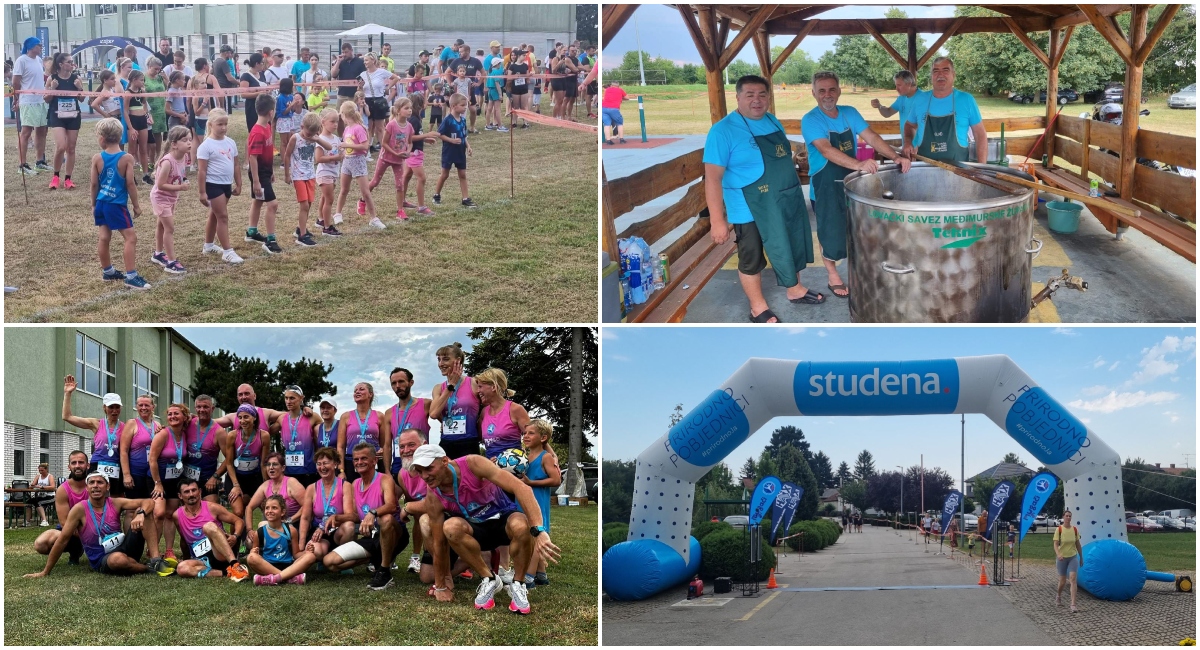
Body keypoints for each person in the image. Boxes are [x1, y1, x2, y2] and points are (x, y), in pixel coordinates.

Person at [703, 75, 820, 324]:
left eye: (762, 95)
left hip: (783, 200)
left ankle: (795, 289)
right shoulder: (722, 131)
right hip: (748, 207)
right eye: (750, 95)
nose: (757, 101)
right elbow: (712, 179)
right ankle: (758, 308)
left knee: (792, 245)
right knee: (752, 257)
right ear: (737, 97)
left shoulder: (771, 120)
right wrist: (717, 221)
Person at [411, 445, 560, 613]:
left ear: (445, 461)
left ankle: (518, 584)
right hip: (476, 529)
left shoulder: (473, 463)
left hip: (503, 517)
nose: (424, 476)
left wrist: (538, 530)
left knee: (521, 524)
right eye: (420, 471)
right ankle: (489, 579)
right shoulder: (433, 495)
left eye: (429, 468)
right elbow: (438, 544)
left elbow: (522, 488)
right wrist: (440, 586)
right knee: (450, 527)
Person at [804, 71, 912, 302]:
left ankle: (857, 272)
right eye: (821, 90)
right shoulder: (811, 120)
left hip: (852, 183)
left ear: (839, 91)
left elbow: (871, 136)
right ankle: (833, 275)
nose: (827, 95)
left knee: (856, 230)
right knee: (830, 234)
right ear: (814, 93)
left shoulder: (849, 112)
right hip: (825, 187)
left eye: (832, 89)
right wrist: (859, 164)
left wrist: (895, 157)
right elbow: (825, 149)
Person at [24, 471, 170, 578]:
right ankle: (145, 568)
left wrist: (140, 514)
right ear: (87, 488)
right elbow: (62, 540)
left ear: (107, 487)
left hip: (124, 546)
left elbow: (149, 502)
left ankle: (155, 560)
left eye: (100, 482)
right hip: (103, 559)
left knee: (145, 511)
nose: (95, 486)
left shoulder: (115, 502)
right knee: (117, 560)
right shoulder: (79, 509)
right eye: (91, 483)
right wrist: (45, 571)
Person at [322, 443, 408, 590]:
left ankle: (385, 571)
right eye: (356, 459)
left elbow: (392, 506)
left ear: (374, 460)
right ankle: (375, 558)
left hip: (395, 533)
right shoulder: (355, 483)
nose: (359, 462)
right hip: (372, 537)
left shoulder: (384, 479)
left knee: (384, 519)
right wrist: (338, 517)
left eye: (364, 458)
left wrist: (373, 512)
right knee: (330, 562)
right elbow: (356, 516)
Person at [90, 117, 149, 290]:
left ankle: (108, 271)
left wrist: (93, 204)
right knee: (131, 237)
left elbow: (94, 184)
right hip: (116, 205)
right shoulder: (127, 158)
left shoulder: (97, 158)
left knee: (104, 237)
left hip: (101, 202)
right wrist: (136, 205)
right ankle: (131, 276)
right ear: (120, 136)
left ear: (101, 138)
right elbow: (130, 183)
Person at [902, 57, 986, 164]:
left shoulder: (966, 100)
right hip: (924, 170)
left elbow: (980, 135)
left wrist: (982, 168)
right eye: (935, 71)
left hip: (959, 172)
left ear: (953, 75)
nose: (940, 75)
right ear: (931, 77)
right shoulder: (920, 100)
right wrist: (908, 142)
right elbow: (909, 125)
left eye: (945, 70)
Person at [173, 477, 249, 580]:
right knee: (182, 568)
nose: (191, 494)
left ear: (199, 491)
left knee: (208, 526)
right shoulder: (177, 515)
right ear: (180, 496)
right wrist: (186, 559)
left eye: (194, 490)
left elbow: (239, 521)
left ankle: (234, 565)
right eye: (186, 492)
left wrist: (235, 536)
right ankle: (225, 572)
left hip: (221, 553)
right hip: (201, 560)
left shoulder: (212, 507)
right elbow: (184, 539)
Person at [62, 376, 125, 496]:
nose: (114, 410)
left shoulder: (126, 427)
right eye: (111, 407)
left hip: (116, 467)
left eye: (117, 407)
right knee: (95, 499)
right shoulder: (96, 424)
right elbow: (67, 416)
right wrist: (67, 394)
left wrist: (158, 428)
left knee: (116, 502)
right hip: (98, 466)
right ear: (104, 408)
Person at [197, 108, 244, 264]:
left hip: (226, 185)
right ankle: (227, 251)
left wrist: (239, 183)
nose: (223, 127)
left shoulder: (230, 142)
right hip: (213, 185)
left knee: (215, 215)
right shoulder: (206, 146)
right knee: (222, 216)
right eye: (220, 124)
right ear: (211, 125)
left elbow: (236, 164)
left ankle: (208, 245)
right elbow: (202, 171)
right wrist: (202, 192)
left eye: (225, 124)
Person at [149, 402, 195, 558]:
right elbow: (152, 460)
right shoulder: (162, 434)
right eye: (170, 414)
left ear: (184, 417)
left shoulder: (184, 434)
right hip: (159, 481)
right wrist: (158, 483)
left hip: (175, 480)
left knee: (170, 514)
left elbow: (195, 418)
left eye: (176, 413)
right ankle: (152, 550)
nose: (172, 416)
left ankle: (169, 551)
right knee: (159, 513)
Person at [223, 403, 272, 549]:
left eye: (246, 417)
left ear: (254, 418)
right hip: (236, 478)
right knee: (238, 512)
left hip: (255, 477)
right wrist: (236, 486)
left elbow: (264, 463)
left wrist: (267, 485)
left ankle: (268, 545)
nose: (243, 421)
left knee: (267, 507)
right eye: (240, 417)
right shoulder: (232, 435)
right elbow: (229, 463)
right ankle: (234, 547)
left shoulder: (264, 436)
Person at [520, 419, 561, 588]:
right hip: (522, 500)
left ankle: (529, 576)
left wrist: (532, 483)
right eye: (525, 433)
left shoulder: (546, 457)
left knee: (537, 535)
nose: (526, 436)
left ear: (543, 437)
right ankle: (541, 574)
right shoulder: (523, 456)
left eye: (531, 433)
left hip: (538, 500)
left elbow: (556, 480)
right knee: (528, 536)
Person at [299, 447, 355, 563]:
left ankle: (342, 559)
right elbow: (305, 518)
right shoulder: (311, 488)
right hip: (319, 534)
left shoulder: (345, 486)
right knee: (317, 552)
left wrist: (327, 524)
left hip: (338, 532)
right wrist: (301, 544)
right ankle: (324, 557)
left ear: (335, 464)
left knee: (349, 526)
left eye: (325, 463)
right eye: (319, 464)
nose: (322, 467)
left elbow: (350, 515)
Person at [334, 100, 383, 229]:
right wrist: (342, 151)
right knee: (344, 189)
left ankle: (374, 218)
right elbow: (347, 146)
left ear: (345, 114)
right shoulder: (347, 129)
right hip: (347, 161)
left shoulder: (358, 128)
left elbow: (365, 146)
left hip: (358, 161)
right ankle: (338, 213)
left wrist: (347, 145)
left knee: (366, 192)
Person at [33, 450, 90, 563]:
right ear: (69, 467)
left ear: (88, 465)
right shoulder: (63, 489)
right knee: (41, 544)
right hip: (71, 529)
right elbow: (64, 522)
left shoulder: (95, 485)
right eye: (74, 463)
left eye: (81, 462)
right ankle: (76, 549)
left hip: (92, 528)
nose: (77, 466)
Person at [149, 125, 192, 274]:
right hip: (161, 198)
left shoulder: (185, 156)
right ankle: (171, 262)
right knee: (169, 228)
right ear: (174, 144)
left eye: (190, 140)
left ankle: (158, 254)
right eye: (185, 140)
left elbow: (181, 173)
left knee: (162, 226)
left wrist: (184, 180)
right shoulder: (167, 162)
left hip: (171, 197)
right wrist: (180, 187)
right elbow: (160, 185)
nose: (189, 143)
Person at [249, 494, 318, 585]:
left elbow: (296, 554)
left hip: (288, 566)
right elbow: (255, 554)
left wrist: (307, 551)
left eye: (274, 508)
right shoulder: (260, 532)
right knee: (251, 558)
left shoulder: (291, 530)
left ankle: (274, 578)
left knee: (311, 556)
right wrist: (253, 552)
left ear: (282, 512)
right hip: (267, 566)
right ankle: (289, 578)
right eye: (267, 508)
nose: (270, 511)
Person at [429, 342, 483, 458]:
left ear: (458, 361)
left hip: (469, 442)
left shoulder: (473, 383)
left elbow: (487, 408)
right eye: (439, 360)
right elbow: (433, 413)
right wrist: (451, 385)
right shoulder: (438, 388)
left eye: (445, 359)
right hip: (446, 442)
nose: (441, 364)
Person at [282, 112, 325, 248]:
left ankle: (300, 228)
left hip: (310, 175)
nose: (309, 135)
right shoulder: (295, 138)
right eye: (308, 132)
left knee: (310, 203)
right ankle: (302, 236)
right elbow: (287, 155)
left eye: (313, 133)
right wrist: (287, 174)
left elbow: (328, 147)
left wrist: (317, 139)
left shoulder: (315, 138)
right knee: (304, 205)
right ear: (302, 126)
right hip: (298, 175)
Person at [246, 93, 282, 254]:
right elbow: (252, 157)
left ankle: (251, 232)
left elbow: (267, 151)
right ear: (271, 112)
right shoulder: (257, 132)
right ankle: (270, 239)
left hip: (265, 172)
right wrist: (256, 181)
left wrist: (272, 171)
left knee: (258, 201)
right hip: (258, 174)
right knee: (272, 204)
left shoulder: (267, 127)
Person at [369, 97, 414, 221]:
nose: (410, 110)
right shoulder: (391, 125)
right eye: (406, 108)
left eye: (410, 108)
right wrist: (395, 152)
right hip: (385, 158)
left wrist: (408, 152)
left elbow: (410, 143)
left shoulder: (409, 126)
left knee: (400, 185)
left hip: (398, 160)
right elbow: (384, 143)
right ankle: (363, 200)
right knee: (375, 182)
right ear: (398, 110)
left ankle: (400, 211)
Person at [393, 427, 430, 574]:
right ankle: (415, 557)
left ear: (424, 445)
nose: (406, 450)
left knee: (425, 517)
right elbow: (411, 504)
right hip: (423, 517)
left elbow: (439, 505)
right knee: (419, 516)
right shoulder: (403, 474)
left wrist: (408, 508)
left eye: (411, 445)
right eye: (402, 446)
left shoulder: (434, 468)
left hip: (447, 519)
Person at [45, 53, 83, 190]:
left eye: (72, 62)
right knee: (61, 146)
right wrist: (53, 89)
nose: (72, 64)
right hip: (57, 115)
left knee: (71, 148)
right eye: (69, 62)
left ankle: (68, 178)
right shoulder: (52, 79)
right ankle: (55, 177)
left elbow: (82, 99)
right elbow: (46, 99)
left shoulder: (76, 78)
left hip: (73, 116)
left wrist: (79, 88)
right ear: (61, 64)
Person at [432, 93, 476, 209]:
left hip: (460, 151)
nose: (465, 107)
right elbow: (439, 134)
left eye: (466, 105)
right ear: (453, 106)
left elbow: (463, 135)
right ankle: (436, 194)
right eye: (462, 105)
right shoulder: (447, 120)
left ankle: (465, 198)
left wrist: (468, 146)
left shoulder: (462, 120)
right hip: (449, 152)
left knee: (462, 174)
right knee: (445, 174)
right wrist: (451, 140)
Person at [476, 368, 531, 460]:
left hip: (514, 470)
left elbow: (535, 437)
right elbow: (476, 438)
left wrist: (551, 456)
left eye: (480, 387)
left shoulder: (516, 409)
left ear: (493, 387)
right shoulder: (484, 413)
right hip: (491, 471)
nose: (478, 391)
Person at [243, 452, 305, 533]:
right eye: (268, 465)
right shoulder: (265, 485)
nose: (271, 467)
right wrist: (249, 530)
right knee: (250, 540)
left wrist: (289, 520)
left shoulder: (291, 482)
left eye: (275, 464)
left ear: (283, 468)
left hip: (294, 525)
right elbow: (249, 507)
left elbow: (307, 506)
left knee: (263, 527)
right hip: (274, 525)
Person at [13, 37, 49, 175]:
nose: (40, 47)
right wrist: (16, 98)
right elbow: (16, 82)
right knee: (26, 132)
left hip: (40, 101)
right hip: (28, 101)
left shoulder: (39, 60)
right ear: (31, 46)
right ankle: (22, 164)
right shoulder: (21, 60)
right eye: (38, 45)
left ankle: (40, 162)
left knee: (41, 131)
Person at [337, 382, 388, 481]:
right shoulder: (346, 416)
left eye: (361, 389)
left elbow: (384, 444)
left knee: (376, 493)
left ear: (370, 394)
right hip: (352, 462)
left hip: (374, 462)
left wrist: (382, 450)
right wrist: (341, 470)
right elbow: (340, 447)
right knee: (353, 494)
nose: (357, 392)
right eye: (355, 391)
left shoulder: (380, 416)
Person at [183, 395, 228, 503]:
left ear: (212, 409)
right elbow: (172, 429)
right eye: (199, 407)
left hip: (207, 480)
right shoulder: (188, 423)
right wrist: (161, 428)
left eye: (205, 407)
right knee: (185, 513)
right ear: (195, 408)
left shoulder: (219, 432)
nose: (202, 410)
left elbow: (230, 458)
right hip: (185, 477)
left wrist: (215, 477)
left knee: (211, 512)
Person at [276, 386, 323, 486]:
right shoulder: (281, 418)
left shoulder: (312, 417)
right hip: (289, 472)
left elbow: (326, 432)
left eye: (292, 398)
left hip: (308, 470)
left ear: (301, 398)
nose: (288, 401)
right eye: (286, 398)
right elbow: (265, 430)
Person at [314, 108, 345, 236]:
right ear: (323, 122)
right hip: (324, 173)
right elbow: (318, 158)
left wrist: (342, 154)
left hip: (333, 173)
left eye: (337, 122)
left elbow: (339, 151)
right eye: (332, 122)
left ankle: (320, 219)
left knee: (325, 197)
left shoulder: (336, 138)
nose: (335, 125)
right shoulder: (320, 139)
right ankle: (327, 227)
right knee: (329, 200)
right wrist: (335, 157)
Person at [122, 70, 153, 185]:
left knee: (144, 150)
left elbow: (144, 104)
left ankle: (145, 175)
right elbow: (125, 111)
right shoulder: (128, 93)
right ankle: (130, 175)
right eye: (141, 80)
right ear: (134, 80)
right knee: (132, 151)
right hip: (133, 121)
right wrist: (130, 127)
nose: (143, 82)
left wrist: (147, 115)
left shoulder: (141, 91)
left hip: (142, 121)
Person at [447, 44, 484, 133]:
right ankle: (452, 127)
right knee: (454, 110)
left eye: (461, 52)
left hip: (469, 90)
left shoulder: (475, 61)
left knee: (473, 110)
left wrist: (478, 83)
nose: (460, 53)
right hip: (458, 90)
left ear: (467, 51)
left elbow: (483, 72)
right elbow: (447, 72)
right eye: (459, 52)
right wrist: (450, 83)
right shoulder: (456, 61)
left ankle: (471, 127)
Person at [189, 58, 218, 172]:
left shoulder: (207, 94)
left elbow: (210, 108)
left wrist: (212, 116)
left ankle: (195, 163)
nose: (205, 85)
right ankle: (197, 163)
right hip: (198, 120)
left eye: (205, 83)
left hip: (207, 119)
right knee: (202, 142)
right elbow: (196, 111)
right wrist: (204, 103)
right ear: (196, 85)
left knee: (202, 140)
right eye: (202, 83)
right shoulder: (196, 96)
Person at [1053, 509, 1083, 612]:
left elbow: (1078, 544)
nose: (1068, 518)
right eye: (1067, 516)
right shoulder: (1059, 529)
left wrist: (1081, 557)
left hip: (1073, 557)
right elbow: (1056, 544)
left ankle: (1073, 604)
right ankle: (1058, 595)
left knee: (1073, 579)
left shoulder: (1074, 529)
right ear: (1063, 517)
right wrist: (1059, 554)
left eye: (1070, 516)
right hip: (1062, 558)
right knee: (1062, 581)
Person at [143, 58, 169, 176]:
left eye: (159, 69)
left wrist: (165, 79)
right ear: (149, 66)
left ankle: (159, 157)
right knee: (149, 136)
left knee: (159, 135)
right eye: (155, 69)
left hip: (160, 109)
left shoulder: (159, 77)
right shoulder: (143, 78)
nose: (157, 71)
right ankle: (149, 160)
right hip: (149, 109)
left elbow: (167, 89)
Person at [330, 42, 366, 124]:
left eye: (346, 52)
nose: (344, 54)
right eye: (343, 52)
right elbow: (333, 74)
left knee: (354, 116)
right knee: (339, 116)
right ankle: (341, 135)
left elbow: (364, 77)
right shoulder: (341, 62)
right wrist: (338, 61)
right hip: (342, 93)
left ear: (351, 51)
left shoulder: (360, 62)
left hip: (355, 94)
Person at [274, 77, 304, 167]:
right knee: (284, 142)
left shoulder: (291, 97)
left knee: (289, 141)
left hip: (290, 120)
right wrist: (291, 105)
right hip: (283, 120)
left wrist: (295, 104)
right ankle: (284, 161)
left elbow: (292, 111)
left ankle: (289, 159)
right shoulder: (280, 98)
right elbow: (283, 112)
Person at [238, 52, 269, 135]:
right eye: (262, 62)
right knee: (253, 132)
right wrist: (258, 93)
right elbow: (243, 94)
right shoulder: (245, 76)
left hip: (264, 106)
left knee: (265, 131)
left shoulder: (262, 74)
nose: (263, 64)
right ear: (257, 64)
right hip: (252, 107)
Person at [602, 81, 632, 145]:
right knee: (619, 123)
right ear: (618, 86)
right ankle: (621, 139)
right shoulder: (620, 90)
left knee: (607, 124)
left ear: (611, 85)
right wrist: (621, 98)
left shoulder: (607, 90)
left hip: (604, 108)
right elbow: (627, 98)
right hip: (614, 109)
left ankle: (608, 140)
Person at [212, 45, 238, 114]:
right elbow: (229, 78)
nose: (230, 55)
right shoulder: (224, 63)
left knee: (220, 110)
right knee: (224, 112)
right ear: (226, 53)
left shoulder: (215, 61)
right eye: (229, 53)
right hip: (225, 90)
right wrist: (239, 83)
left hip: (218, 89)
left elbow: (211, 73)